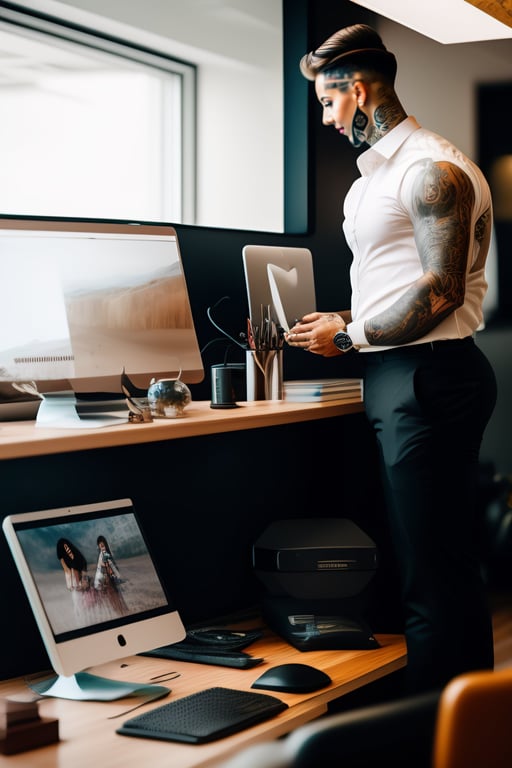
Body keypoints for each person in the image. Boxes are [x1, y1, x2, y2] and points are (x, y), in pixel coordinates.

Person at [287, 23, 498, 695]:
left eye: (327, 101)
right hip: (398, 374)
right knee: (421, 565)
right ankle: (441, 724)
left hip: (430, 376)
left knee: (436, 576)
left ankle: (451, 738)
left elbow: (440, 291)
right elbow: (401, 281)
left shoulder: (431, 169)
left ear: (357, 88)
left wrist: (347, 340)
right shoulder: (373, 179)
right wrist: (345, 318)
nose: (325, 117)